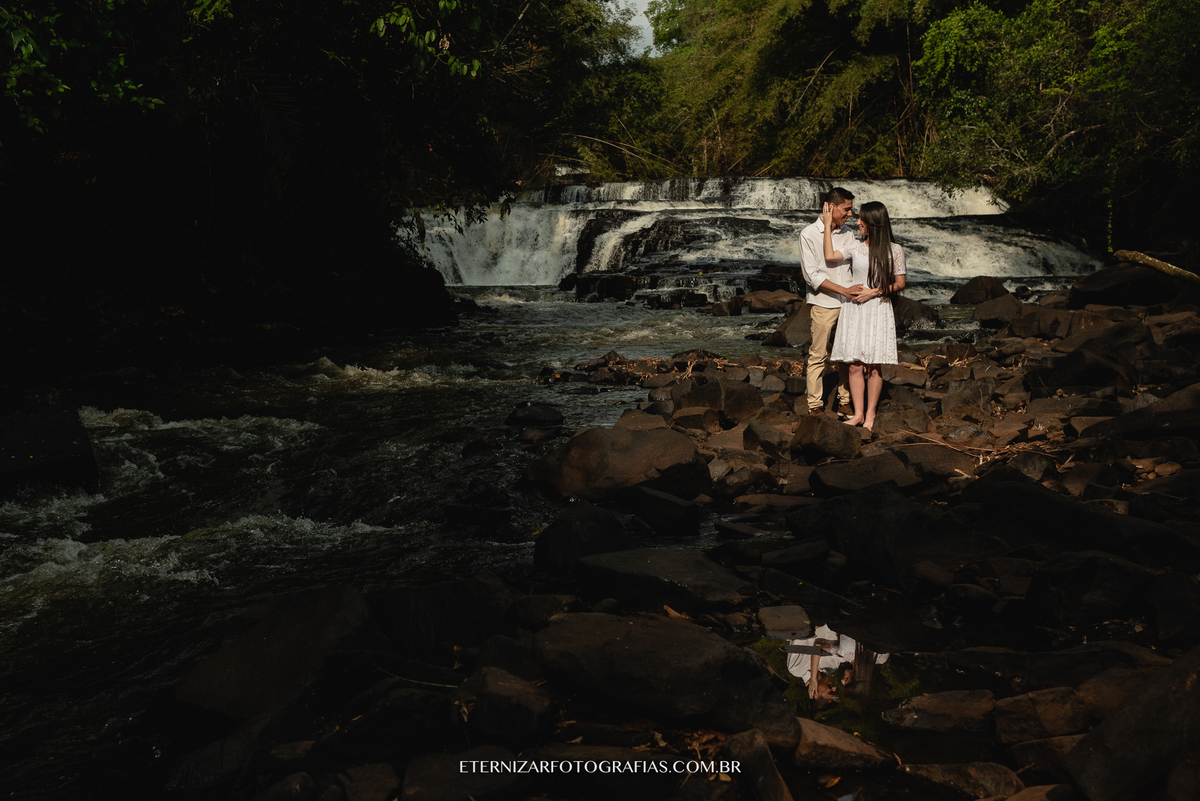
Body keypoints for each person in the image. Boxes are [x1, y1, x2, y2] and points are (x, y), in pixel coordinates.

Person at [821, 199, 907, 431]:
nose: (857, 222)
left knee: (874, 366)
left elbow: (900, 283)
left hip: (877, 307)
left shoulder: (894, 250)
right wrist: (828, 227)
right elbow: (829, 257)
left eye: (862, 219)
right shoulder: (855, 247)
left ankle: (870, 416)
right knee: (854, 366)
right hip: (855, 309)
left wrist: (874, 292)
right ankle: (858, 414)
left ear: (874, 222)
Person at [799, 187, 861, 415]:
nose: (850, 215)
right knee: (818, 355)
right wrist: (843, 290)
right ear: (831, 207)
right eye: (847, 209)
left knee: (847, 354)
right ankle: (815, 405)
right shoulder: (808, 234)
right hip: (824, 303)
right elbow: (811, 275)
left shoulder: (848, 234)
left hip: (848, 304)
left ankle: (844, 400)